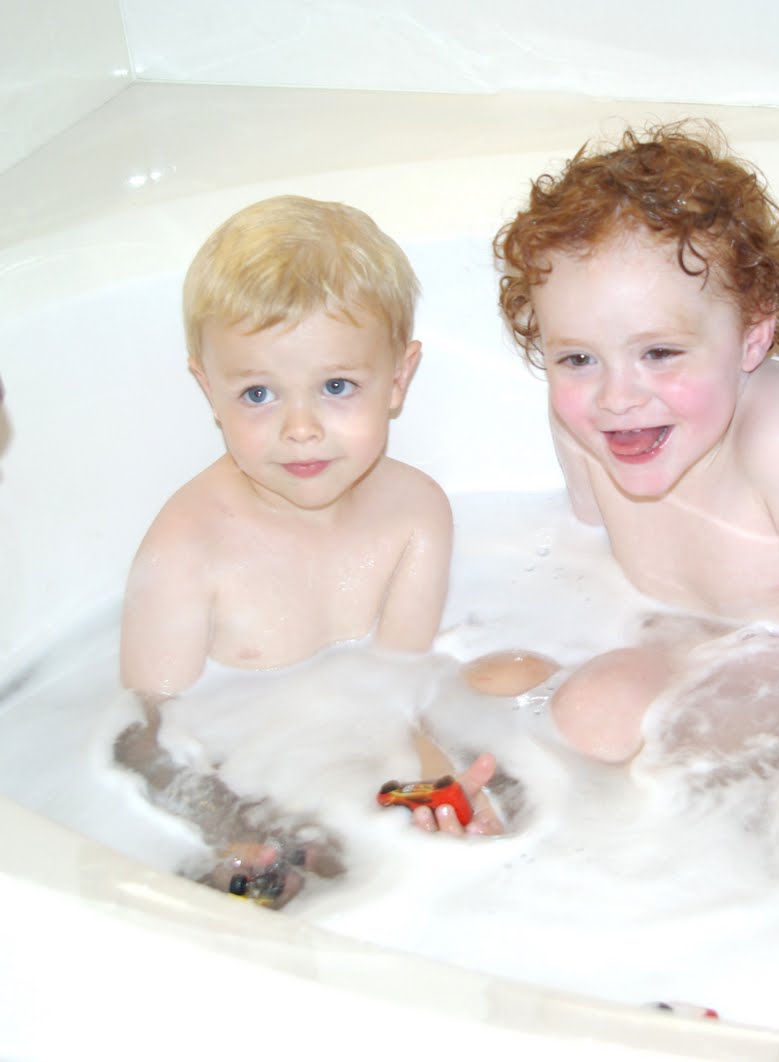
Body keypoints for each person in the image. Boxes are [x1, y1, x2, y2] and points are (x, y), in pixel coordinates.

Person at [475, 122, 779, 844]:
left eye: (659, 352)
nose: (617, 396)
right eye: (577, 359)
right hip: (698, 650)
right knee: (506, 690)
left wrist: (705, 693)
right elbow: (582, 543)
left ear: (751, 337)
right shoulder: (585, 421)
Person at [116, 196, 516, 901]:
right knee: (258, 887)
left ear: (397, 380)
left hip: (352, 763)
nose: (300, 429)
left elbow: (402, 686)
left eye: (336, 387)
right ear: (208, 390)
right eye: (259, 394)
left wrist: (432, 780)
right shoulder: (188, 549)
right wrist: (233, 832)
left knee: (509, 815)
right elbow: (146, 739)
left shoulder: (417, 514)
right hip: (237, 784)